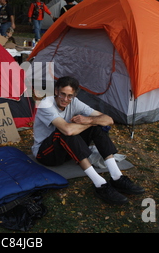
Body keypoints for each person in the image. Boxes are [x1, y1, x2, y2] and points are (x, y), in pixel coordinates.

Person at [32, 76, 144, 205]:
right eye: (63, 94)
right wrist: (91, 123)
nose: (65, 99)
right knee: (64, 132)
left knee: (96, 128)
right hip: (46, 154)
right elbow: (67, 130)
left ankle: (116, 177)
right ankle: (100, 184)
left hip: (66, 151)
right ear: (56, 91)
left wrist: (90, 120)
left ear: (74, 95)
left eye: (70, 96)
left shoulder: (74, 102)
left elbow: (109, 120)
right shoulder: (46, 104)